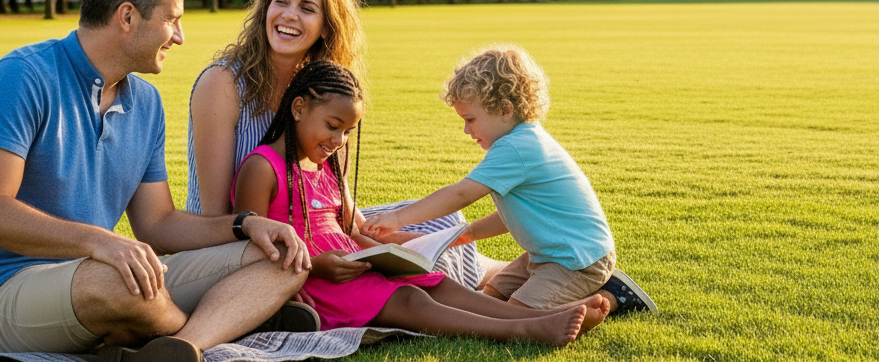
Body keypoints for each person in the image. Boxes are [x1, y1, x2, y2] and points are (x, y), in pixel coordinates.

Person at [0, 0, 314, 362]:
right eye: (172, 20)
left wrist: (246, 225)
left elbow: (158, 225)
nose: (179, 35)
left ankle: (178, 345)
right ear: (127, 17)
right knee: (115, 283)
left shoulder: (146, 102)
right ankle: (224, 323)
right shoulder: (20, 78)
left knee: (284, 259)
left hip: (96, 275)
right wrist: (100, 241)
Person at [232, 60, 605, 345]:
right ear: (298, 109)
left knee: (433, 280)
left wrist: (386, 253)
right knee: (410, 299)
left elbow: (349, 231)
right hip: (313, 277)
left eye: (348, 131)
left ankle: (539, 318)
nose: (340, 140)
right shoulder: (262, 168)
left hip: (348, 265)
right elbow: (253, 250)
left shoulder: (326, 167)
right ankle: (523, 328)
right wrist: (313, 269)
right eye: (333, 126)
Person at [186, 0, 486, 289]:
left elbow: (341, 209)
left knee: (442, 225)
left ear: (328, 26)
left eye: (307, 8)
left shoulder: (324, 94)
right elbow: (216, 219)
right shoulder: (223, 84)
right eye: (281, 1)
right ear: (265, 9)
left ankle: (491, 277)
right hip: (242, 246)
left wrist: (403, 244)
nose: (289, 15)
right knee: (414, 264)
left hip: (311, 224)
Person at [365, 45, 658, 316]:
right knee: (485, 298)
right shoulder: (521, 141)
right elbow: (514, 216)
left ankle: (610, 296)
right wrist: (464, 235)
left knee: (515, 315)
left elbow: (461, 194)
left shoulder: (517, 148)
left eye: (470, 119)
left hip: (577, 262)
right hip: (548, 256)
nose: (466, 130)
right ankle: (585, 295)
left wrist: (398, 217)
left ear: (504, 110)